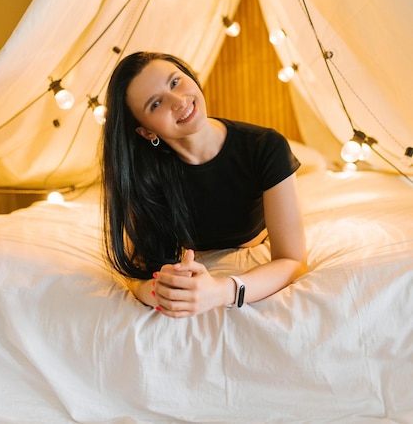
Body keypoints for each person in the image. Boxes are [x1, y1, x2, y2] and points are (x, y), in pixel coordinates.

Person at [102, 51, 307, 318]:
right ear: (146, 131)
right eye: (155, 104)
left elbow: (293, 261)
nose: (178, 101)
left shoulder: (266, 147)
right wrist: (159, 292)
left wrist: (222, 291)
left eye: (175, 82)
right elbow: (137, 271)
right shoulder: (143, 175)